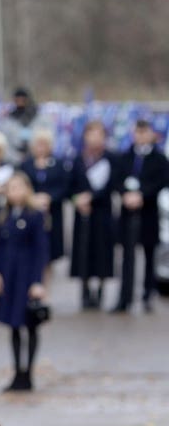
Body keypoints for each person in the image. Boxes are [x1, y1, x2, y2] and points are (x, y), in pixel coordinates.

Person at [0, 171, 49, 391]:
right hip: (9, 275)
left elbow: (41, 250)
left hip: (26, 275)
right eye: (10, 188)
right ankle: (16, 371)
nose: (14, 192)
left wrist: (37, 281)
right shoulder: (3, 216)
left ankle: (28, 372)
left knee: (30, 324)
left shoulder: (35, 215)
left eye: (18, 187)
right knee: (13, 325)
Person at [112, 119, 169, 313]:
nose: (140, 136)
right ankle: (124, 296)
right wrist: (125, 194)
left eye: (144, 132)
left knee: (148, 254)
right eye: (137, 132)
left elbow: (162, 180)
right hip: (128, 212)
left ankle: (147, 294)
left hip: (148, 211)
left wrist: (143, 194)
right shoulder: (125, 157)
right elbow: (117, 178)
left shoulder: (159, 159)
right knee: (127, 256)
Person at [68, 120, 117, 310]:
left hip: (102, 212)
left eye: (99, 134)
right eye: (91, 134)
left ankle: (101, 288)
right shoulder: (78, 160)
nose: (95, 138)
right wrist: (77, 199)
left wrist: (93, 197)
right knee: (83, 250)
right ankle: (85, 288)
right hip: (83, 213)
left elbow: (113, 184)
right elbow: (70, 186)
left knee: (103, 251)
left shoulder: (111, 158)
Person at [20, 127, 72, 280]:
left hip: (52, 213)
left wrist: (49, 197)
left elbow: (65, 186)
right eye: (38, 144)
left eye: (44, 144)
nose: (41, 148)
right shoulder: (26, 164)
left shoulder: (58, 164)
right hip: (30, 212)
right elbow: (21, 183)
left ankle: (45, 289)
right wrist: (32, 198)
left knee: (48, 252)